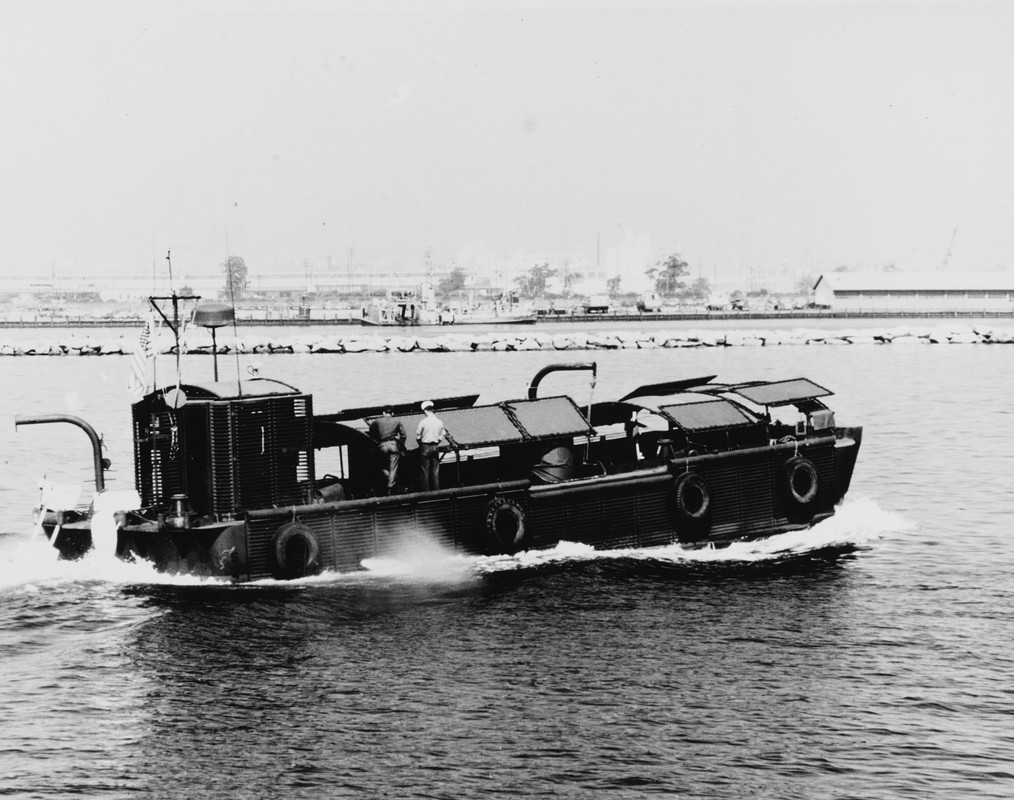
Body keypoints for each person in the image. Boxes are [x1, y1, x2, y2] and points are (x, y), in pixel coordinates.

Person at [368, 406, 406, 495]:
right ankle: (391, 486)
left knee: (382, 466)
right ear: (392, 413)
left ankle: (387, 480)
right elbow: (403, 435)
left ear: (383, 413)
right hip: (393, 445)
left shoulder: (376, 422)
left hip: (382, 446)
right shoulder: (397, 421)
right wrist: (400, 445)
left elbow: (372, 434)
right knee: (394, 467)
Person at [415, 400, 447, 491]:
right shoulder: (439, 422)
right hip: (436, 447)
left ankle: (426, 492)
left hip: (425, 446)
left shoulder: (423, 422)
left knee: (425, 471)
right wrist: (438, 441)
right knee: (435, 471)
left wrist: (420, 443)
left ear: (425, 411)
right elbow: (443, 435)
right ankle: (436, 490)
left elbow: (418, 436)